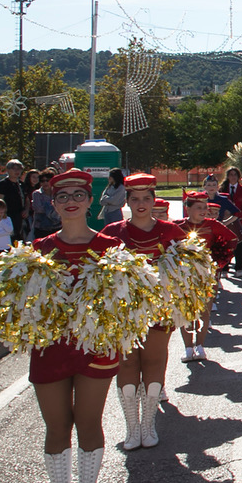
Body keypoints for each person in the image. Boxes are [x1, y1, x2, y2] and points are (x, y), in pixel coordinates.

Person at [28, 170, 129, 483]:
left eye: (78, 194)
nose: (70, 200)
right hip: (50, 350)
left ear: (90, 201)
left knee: (88, 422)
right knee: (56, 427)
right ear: (52, 204)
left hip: (95, 349)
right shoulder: (38, 251)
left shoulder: (110, 249)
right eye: (62, 195)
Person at [104, 174, 188, 451]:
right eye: (134, 199)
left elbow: (189, 270)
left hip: (160, 311)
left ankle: (148, 425)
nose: (141, 204)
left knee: (154, 362)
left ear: (154, 201)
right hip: (124, 314)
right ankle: (132, 428)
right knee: (127, 364)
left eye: (146, 199)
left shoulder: (171, 232)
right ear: (127, 201)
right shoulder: (112, 233)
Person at [177, 192, 238, 361]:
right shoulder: (178, 226)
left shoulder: (212, 225)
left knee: (204, 311)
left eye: (205, 207)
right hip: (185, 277)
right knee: (185, 312)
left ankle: (200, 345)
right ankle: (188, 348)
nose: (204, 211)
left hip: (206, 275)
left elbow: (232, 239)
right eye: (199, 208)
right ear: (187, 208)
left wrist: (220, 258)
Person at [219, 167, 242, 274]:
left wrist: (238, 215)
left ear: (238, 177)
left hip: (240, 221)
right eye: (231, 175)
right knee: (226, 244)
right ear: (227, 176)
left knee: (240, 244)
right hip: (225, 222)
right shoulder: (222, 190)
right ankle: (225, 267)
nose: (233, 177)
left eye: (235, 175)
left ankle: (239, 267)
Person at [0, 160, 26, 244]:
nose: (17, 171)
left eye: (19, 169)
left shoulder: (22, 185)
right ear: (8, 170)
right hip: (7, 216)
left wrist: (26, 210)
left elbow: (26, 199)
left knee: (19, 238)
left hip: (20, 216)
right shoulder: (2, 184)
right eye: (14, 169)